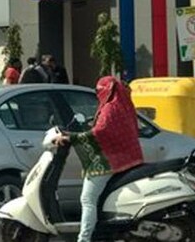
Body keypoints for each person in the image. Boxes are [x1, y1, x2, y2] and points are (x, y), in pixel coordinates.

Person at [53, 76, 143, 242]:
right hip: (127, 157)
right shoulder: (123, 105)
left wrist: (71, 138)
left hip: (110, 160)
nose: (98, 93)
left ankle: (84, 239)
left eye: (99, 90)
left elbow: (99, 133)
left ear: (107, 90)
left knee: (87, 199)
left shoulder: (110, 109)